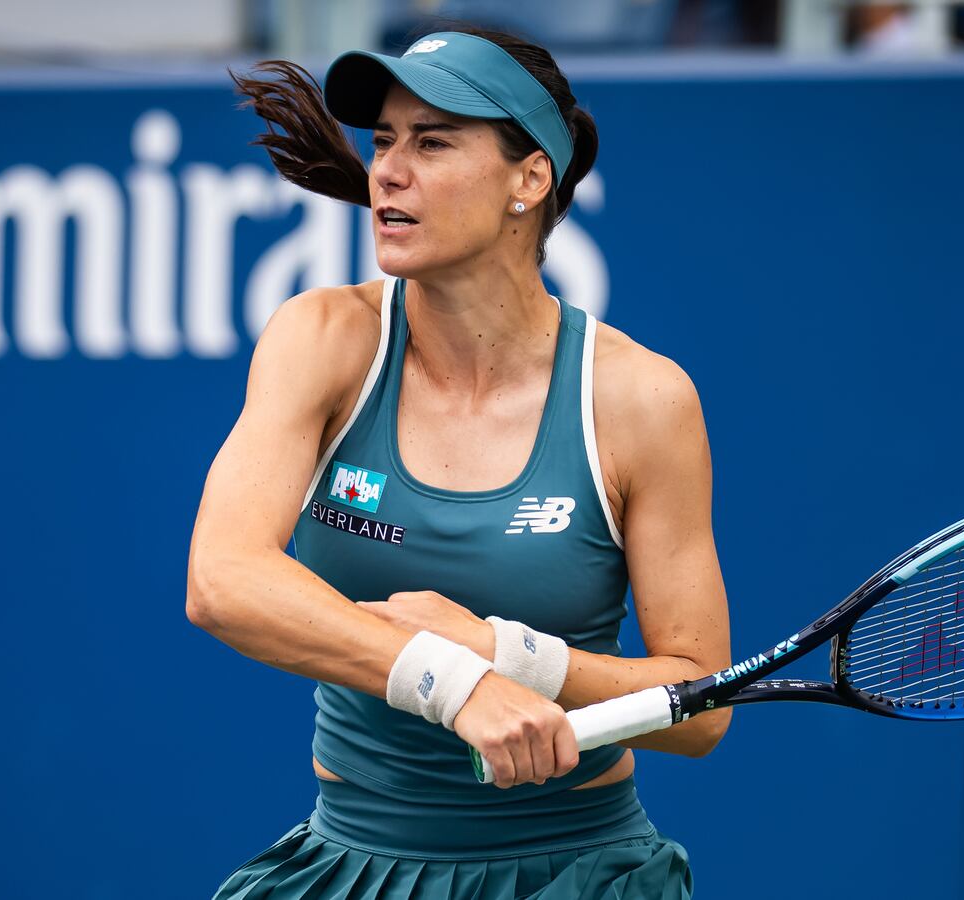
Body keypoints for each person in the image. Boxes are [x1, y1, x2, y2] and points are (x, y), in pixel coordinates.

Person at [186, 24, 731, 899]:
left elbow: (700, 706)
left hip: (576, 874)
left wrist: (516, 657)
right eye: (385, 141)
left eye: (433, 142)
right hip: (350, 864)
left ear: (530, 178)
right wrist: (454, 681)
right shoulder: (323, 338)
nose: (389, 171)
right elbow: (222, 578)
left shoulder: (642, 398)